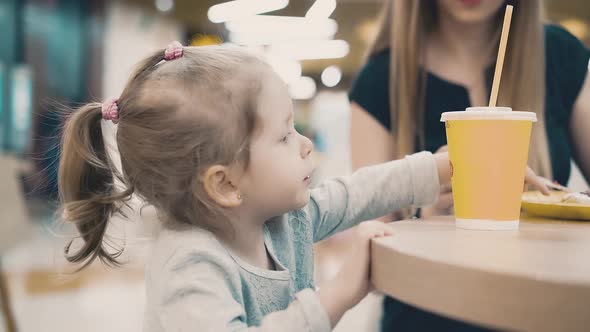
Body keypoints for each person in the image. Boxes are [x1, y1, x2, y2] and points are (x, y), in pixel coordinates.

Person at [57, 41, 477, 331]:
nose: (306, 145)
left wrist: (442, 168)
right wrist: (340, 291)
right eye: (285, 135)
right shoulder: (190, 266)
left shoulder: (282, 219)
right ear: (225, 184)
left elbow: (356, 193)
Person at [349, 0, 590, 331]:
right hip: (426, 316)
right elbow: (370, 252)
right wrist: (425, 213)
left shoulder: (560, 54)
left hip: (545, 311)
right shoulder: (379, 80)